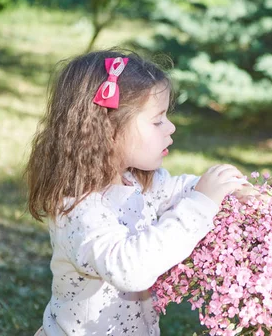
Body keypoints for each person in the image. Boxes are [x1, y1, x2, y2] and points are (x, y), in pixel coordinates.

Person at [27, 50, 247, 335]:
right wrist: (201, 204)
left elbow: (179, 190)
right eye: (157, 121)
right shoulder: (78, 208)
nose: (171, 127)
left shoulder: (134, 181)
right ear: (107, 129)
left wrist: (225, 188)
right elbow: (130, 269)